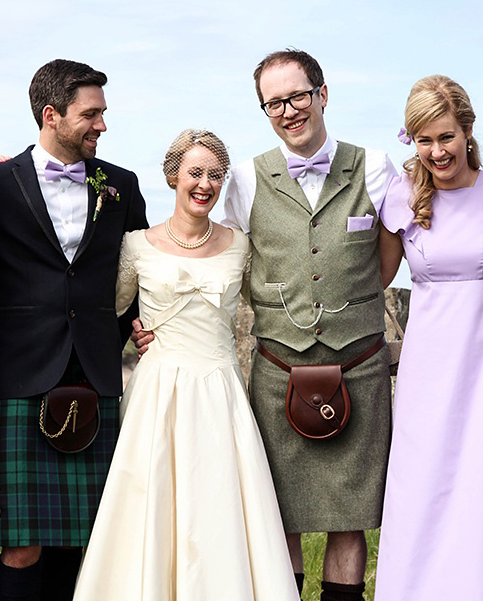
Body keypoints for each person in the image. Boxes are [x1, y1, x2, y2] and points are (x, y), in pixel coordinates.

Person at [133, 49, 395, 601]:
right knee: (279, 513)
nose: (287, 110)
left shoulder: (375, 165)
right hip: (279, 366)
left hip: (359, 364)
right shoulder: (246, 179)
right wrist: (157, 319)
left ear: (322, 94)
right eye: (272, 103)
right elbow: (217, 257)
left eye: (297, 96)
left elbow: (395, 252)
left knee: (351, 516)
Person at [73, 129, 299, 600]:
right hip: (157, 392)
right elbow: (107, 309)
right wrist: (137, 329)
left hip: (221, 392)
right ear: (173, 176)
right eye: (195, 172)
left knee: (219, 509)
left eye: (216, 175)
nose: (205, 184)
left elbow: (274, 303)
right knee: (149, 507)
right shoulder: (136, 245)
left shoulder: (241, 246)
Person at [0, 59, 147, 601]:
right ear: (51, 115)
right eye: (91, 114)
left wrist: (140, 327)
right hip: (22, 376)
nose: (102, 125)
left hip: (95, 371)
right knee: (22, 543)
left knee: (86, 537)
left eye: (103, 114)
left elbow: (143, 269)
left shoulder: (120, 183)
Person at [374, 75, 483, 600]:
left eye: (445, 137)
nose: (436, 151)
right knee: (425, 483)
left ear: (467, 131)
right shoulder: (400, 198)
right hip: (428, 363)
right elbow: (375, 278)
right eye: (423, 140)